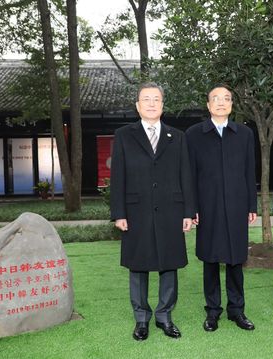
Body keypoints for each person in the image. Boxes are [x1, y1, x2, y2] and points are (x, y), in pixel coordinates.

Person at [109, 82, 195, 341]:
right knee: (138, 266)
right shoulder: (124, 135)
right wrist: (119, 213)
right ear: (137, 105)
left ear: (162, 105)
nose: (151, 103)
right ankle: (141, 319)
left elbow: (186, 176)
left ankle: (165, 317)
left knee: (169, 265)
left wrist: (188, 212)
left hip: (171, 210)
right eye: (146, 99)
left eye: (156, 99)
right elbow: (118, 177)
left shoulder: (177, 137)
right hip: (136, 212)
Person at [185, 84, 257, 332]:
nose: (221, 102)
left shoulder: (244, 134)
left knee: (236, 260)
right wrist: (191, 207)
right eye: (216, 98)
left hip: (237, 206)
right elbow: (189, 175)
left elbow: (250, 172)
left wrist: (251, 205)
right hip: (208, 207)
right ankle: (213, 311)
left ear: (232, 105)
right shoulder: (194, 134)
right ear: (208, 105)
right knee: (211, 260)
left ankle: (237, 310)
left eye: (226, 98)